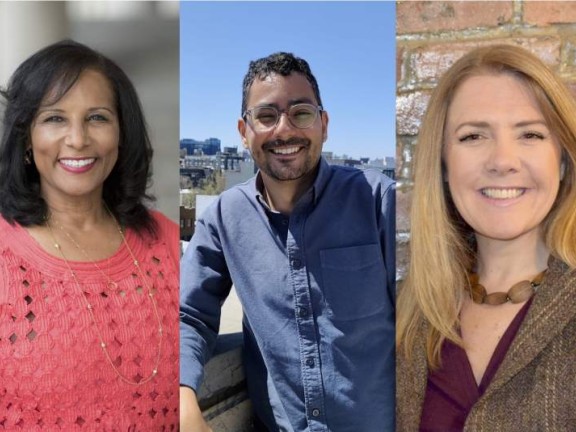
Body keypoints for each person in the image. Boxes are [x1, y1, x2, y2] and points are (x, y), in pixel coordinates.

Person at [180, 52, 395, 431]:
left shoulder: (378, 200)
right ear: (244, 132)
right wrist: (181, 404)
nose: (284, 130)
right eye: (266, 116)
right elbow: (188, 315)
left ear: (324, 125)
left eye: (301, 113)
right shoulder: (224, 218)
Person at [396, 44, 576, 431]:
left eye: (530, 134)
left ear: (562, 160)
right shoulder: (411, 313)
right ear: (443, 163)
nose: (502, 160)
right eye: (474, 136)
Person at [0, 40, 179, 429]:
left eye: (97, 118)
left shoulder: (166, 242)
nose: (78, 139)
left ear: (121, 132)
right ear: (26, 140)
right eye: (54, 118)